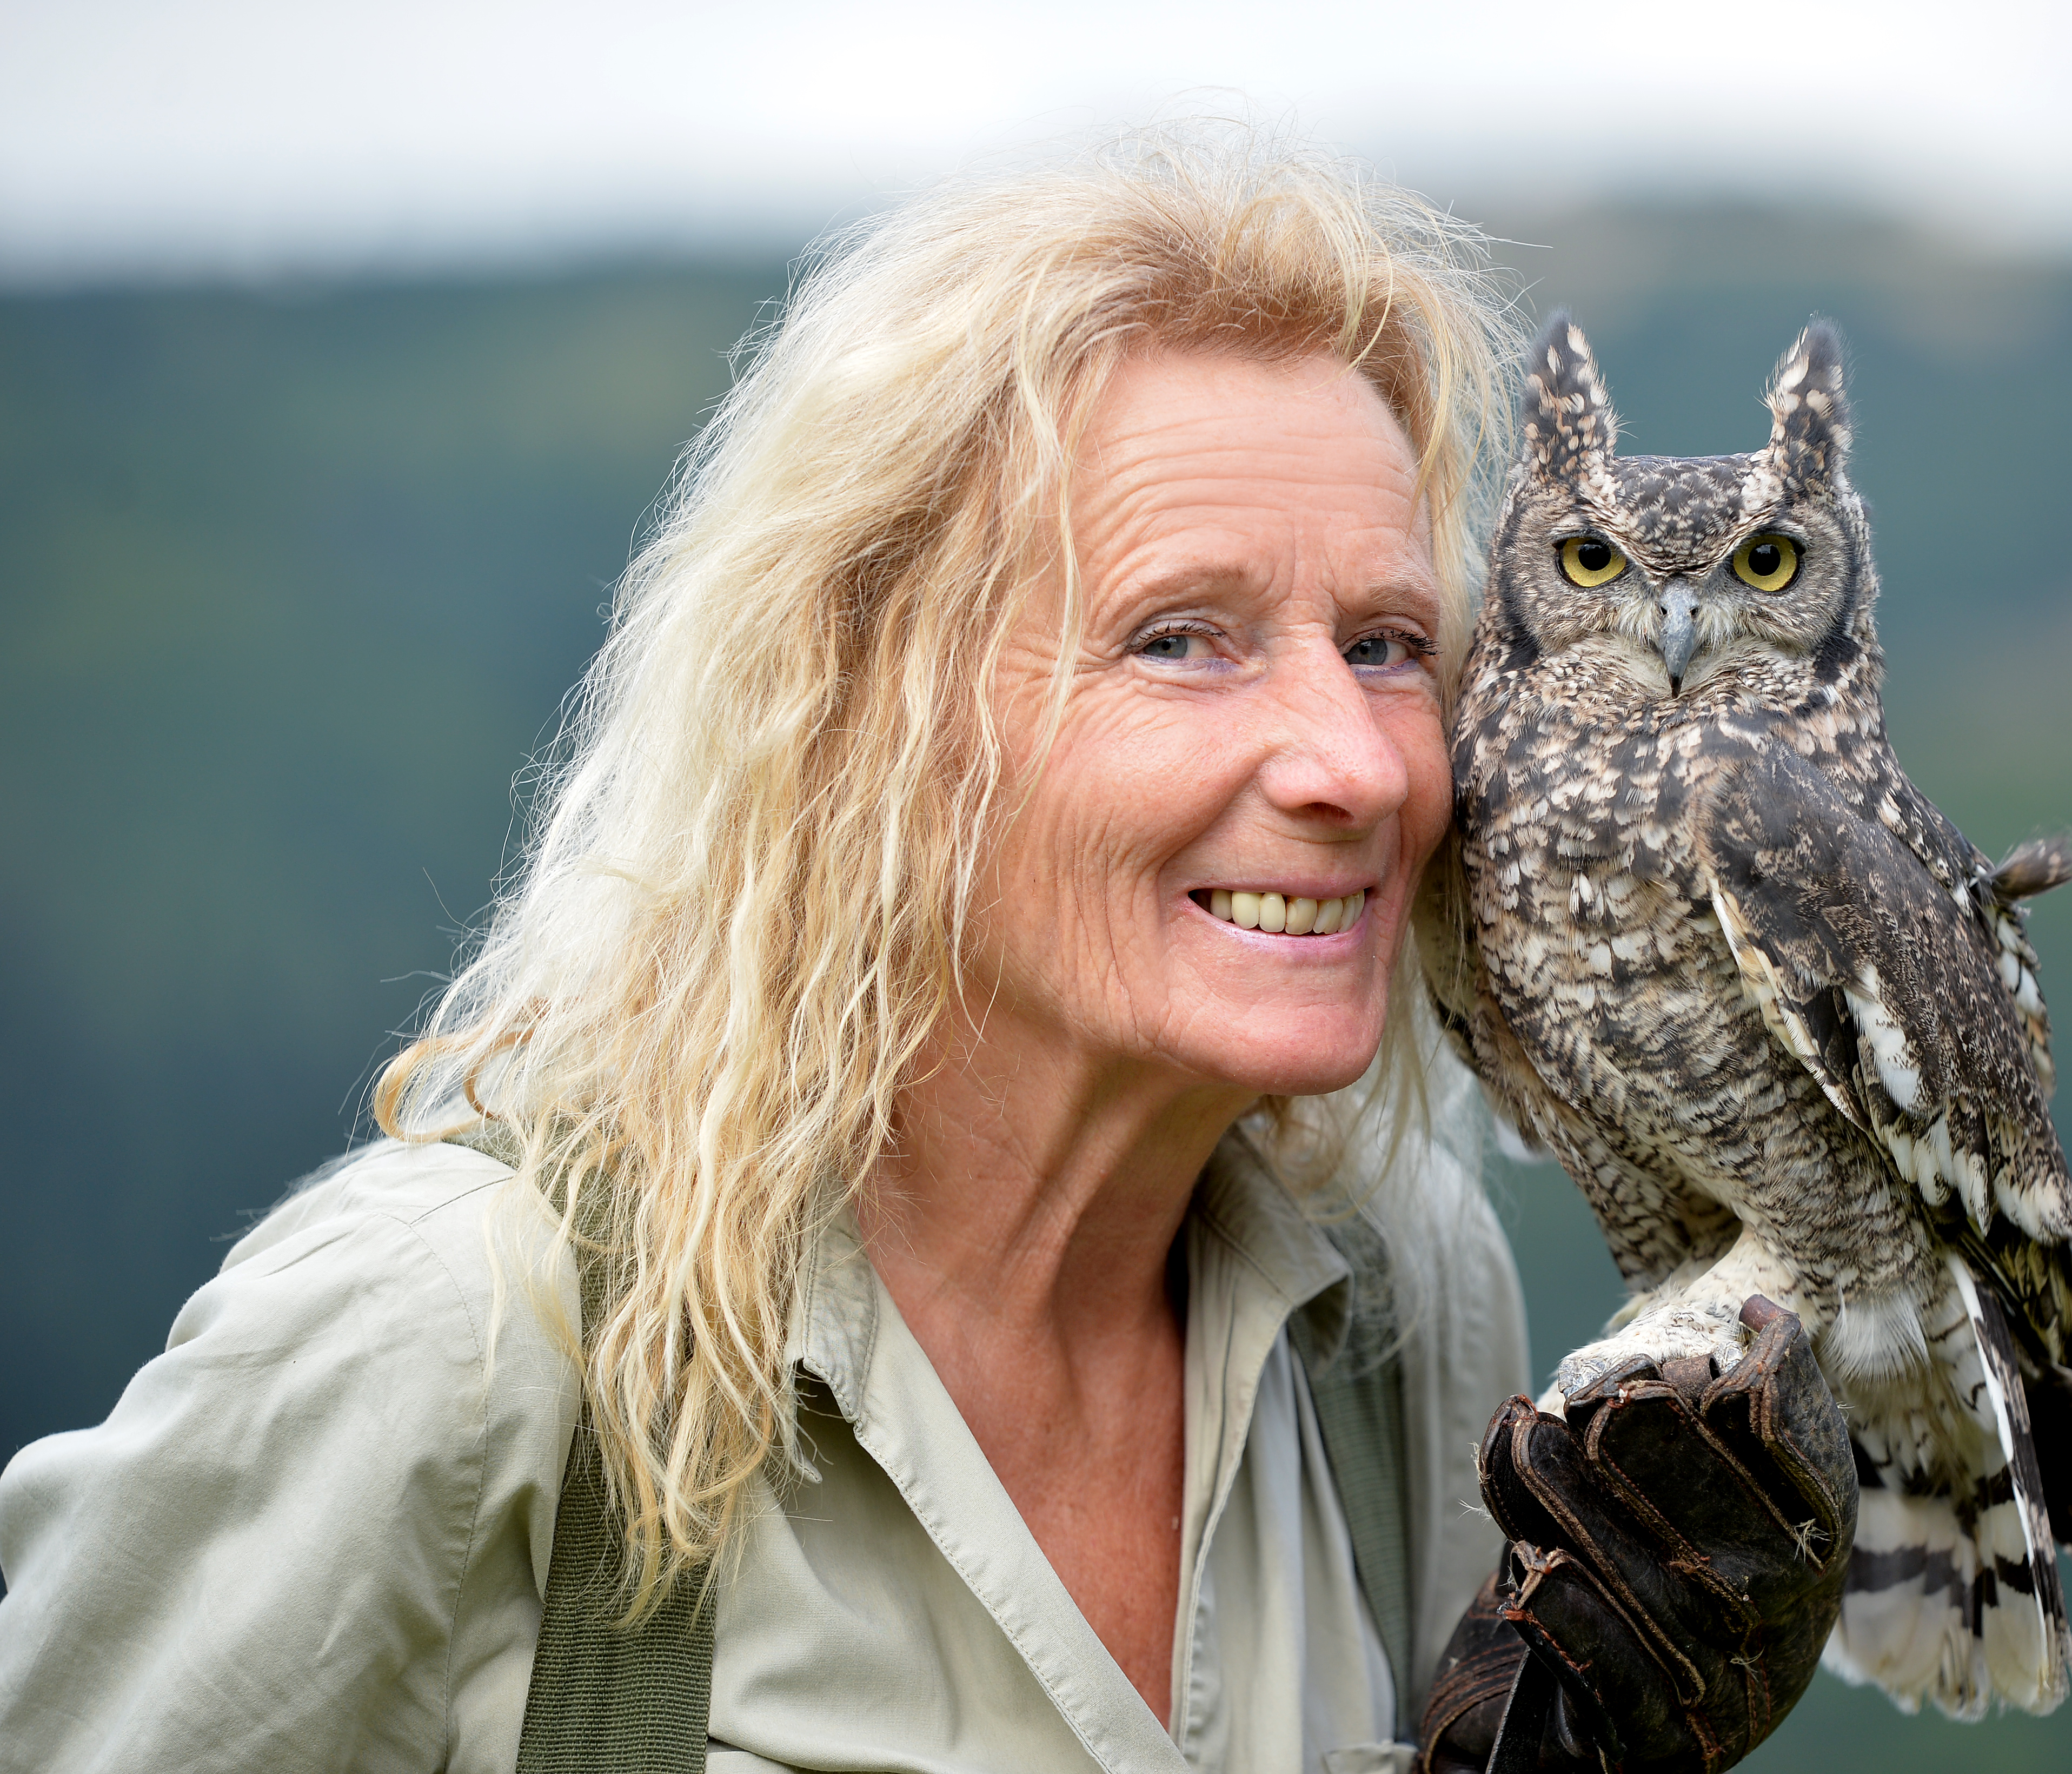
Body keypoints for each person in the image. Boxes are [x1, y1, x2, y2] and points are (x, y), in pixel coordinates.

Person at [0, 131, 1849, 1774]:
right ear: (864, 714)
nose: (1358, 768)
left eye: (1385, 646)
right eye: (1182, 641)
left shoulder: (1396, 1306)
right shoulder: (452, 1341)